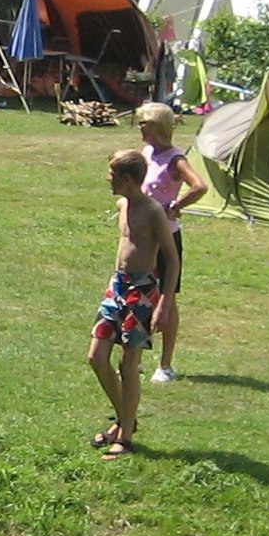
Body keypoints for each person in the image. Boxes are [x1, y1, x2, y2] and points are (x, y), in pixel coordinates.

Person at [86, 147, 175, 460]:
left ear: (127, 179)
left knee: (128, 364)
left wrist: (164, 304)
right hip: (118, 285)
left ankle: (124, 437)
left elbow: (171, 260)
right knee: (96, 356)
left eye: (112, 174)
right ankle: (126, 418)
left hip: (143, 289)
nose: (107, 178)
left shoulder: (152, 212)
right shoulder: (122, 204)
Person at [138, 103, 204, 384]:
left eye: (144, 123)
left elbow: (199, 186)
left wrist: (176, 206)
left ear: (157, 126)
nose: (140, 128)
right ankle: (135, 356)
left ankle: (165, 364)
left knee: (167, 296)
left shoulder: (175, 159)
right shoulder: (147, 153)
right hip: (143, 234)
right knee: (139, 291)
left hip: (166, 235)